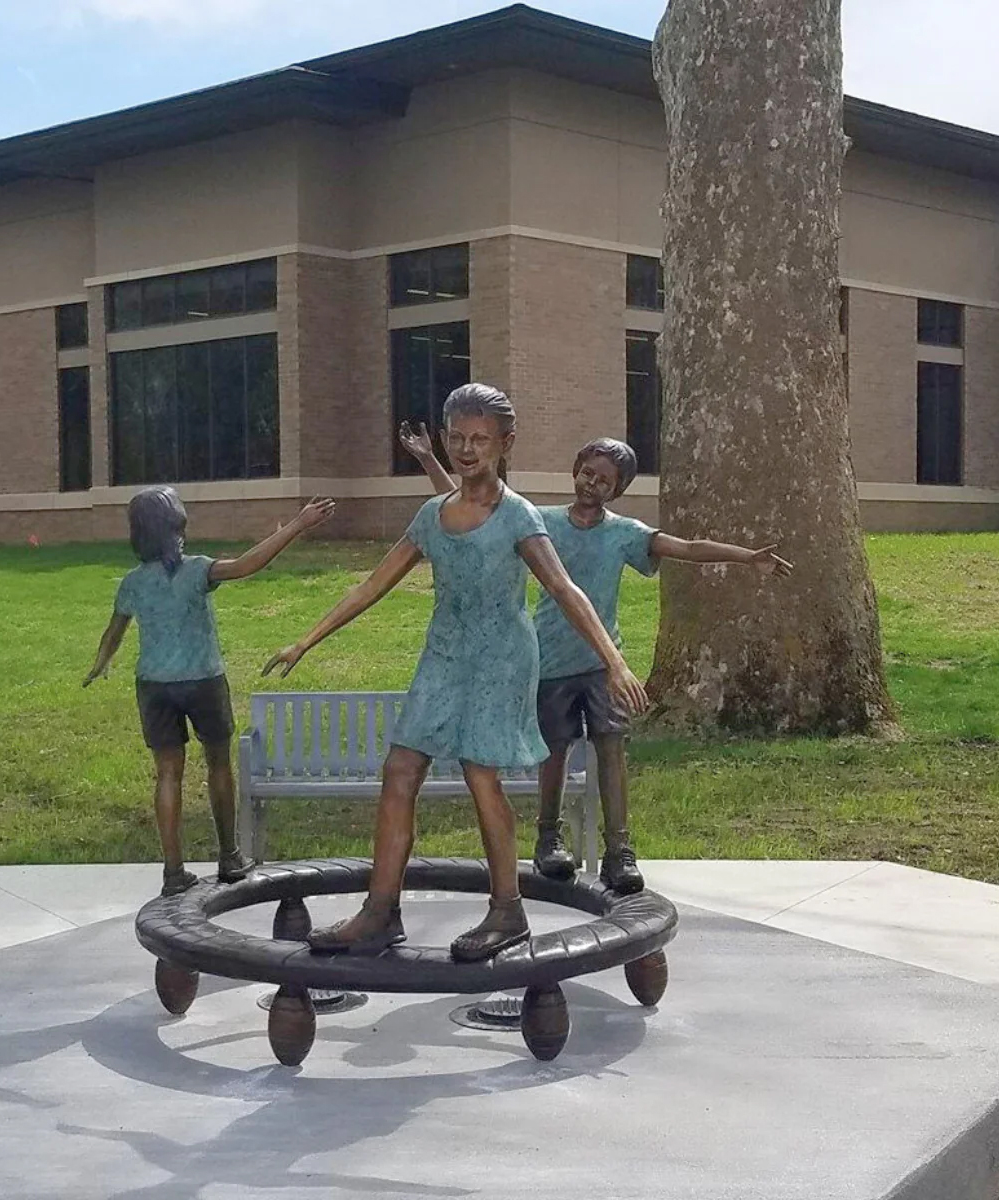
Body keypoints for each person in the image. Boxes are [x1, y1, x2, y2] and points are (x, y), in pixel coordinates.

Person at [263, 385, 648, 962]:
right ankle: (379, 911)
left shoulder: (517, 516)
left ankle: (507, 910)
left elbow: (565, 591)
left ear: (505, 444)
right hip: (443, 655)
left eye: (481, 440)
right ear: (445, 439)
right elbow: (373, 584)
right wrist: (306, 640)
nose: (468, 450)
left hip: (501, 658)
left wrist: (614, 662)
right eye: (458, 439)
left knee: (479, 773)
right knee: (399, 769)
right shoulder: (432, 515)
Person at [400, 426, 792, 893]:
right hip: (549, 664)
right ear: (575, 473)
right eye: (587, 473)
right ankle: (549, 838)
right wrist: (428, 458)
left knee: (612, 750)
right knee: (555, 752)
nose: (592, 484)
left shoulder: (625, 534)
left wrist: (748, 557)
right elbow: (466, 507)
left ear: (617, 489)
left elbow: (685, 548)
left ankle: (619, 850)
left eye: (604, 481)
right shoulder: (539, 520)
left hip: (604, 667)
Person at [84, 485, 336, 897]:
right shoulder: (199, 569)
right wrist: (298, 525)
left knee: (167, 773)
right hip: (203, 680)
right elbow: (247, 565)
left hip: (153, 686)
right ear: (175, 528)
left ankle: (172, 872)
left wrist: (101, 663)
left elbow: (114, 632)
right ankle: (230, 857)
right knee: (219, 764)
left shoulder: (132, 583)